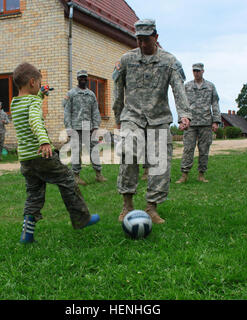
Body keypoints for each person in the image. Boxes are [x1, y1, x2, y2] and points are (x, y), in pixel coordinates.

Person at [10, 62, 99, 244]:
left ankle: (27, 234)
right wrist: (44, 141)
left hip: (26, 159)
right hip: (42, 155)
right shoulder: (33, 102)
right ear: (33, 82)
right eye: (38, 83)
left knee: (34, 194)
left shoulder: (15, 103)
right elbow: (34, 119)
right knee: (67, 180)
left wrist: (41, 93)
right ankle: (82, 219)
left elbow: (30, 105)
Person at [113, 19, 191, 224]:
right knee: (128, 153)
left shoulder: (170, 62)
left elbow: (179, 89)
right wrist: (118, 116)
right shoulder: (126, 60)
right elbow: (117, 89)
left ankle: (151, 208)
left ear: (156, 38)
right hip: (132, 116)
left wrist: (184, 114)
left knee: (160, 164)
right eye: (138, 39)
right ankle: (127, 205)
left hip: (159, 118)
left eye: (146, 40)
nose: (141, 44)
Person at [176, 63, 220, 184]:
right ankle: (184, 175)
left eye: (198, 71)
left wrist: (216, 121)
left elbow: (215, 104)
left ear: (203, 71)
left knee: (204, 149)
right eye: (194, 71)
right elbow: (182, 104)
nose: (196, 73)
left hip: (206, 122)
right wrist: (181, 120)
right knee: (188, 149)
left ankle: (201, 174)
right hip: (190, 123)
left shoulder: (210, 86)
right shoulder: (187, 86)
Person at [63, 70, 106, 186]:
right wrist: (68, 128)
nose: (83, 79)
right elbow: (66, 111)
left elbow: (95, 111)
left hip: (89, 127)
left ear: (87, 79)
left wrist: (96, 126)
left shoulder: (91, 94)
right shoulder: (71, 93)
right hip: (75, 127)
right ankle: (76, 176)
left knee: (94, 150)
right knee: (76, 152)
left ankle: (98, 174)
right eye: (81, 77)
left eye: (85, 78)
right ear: (77, 79)